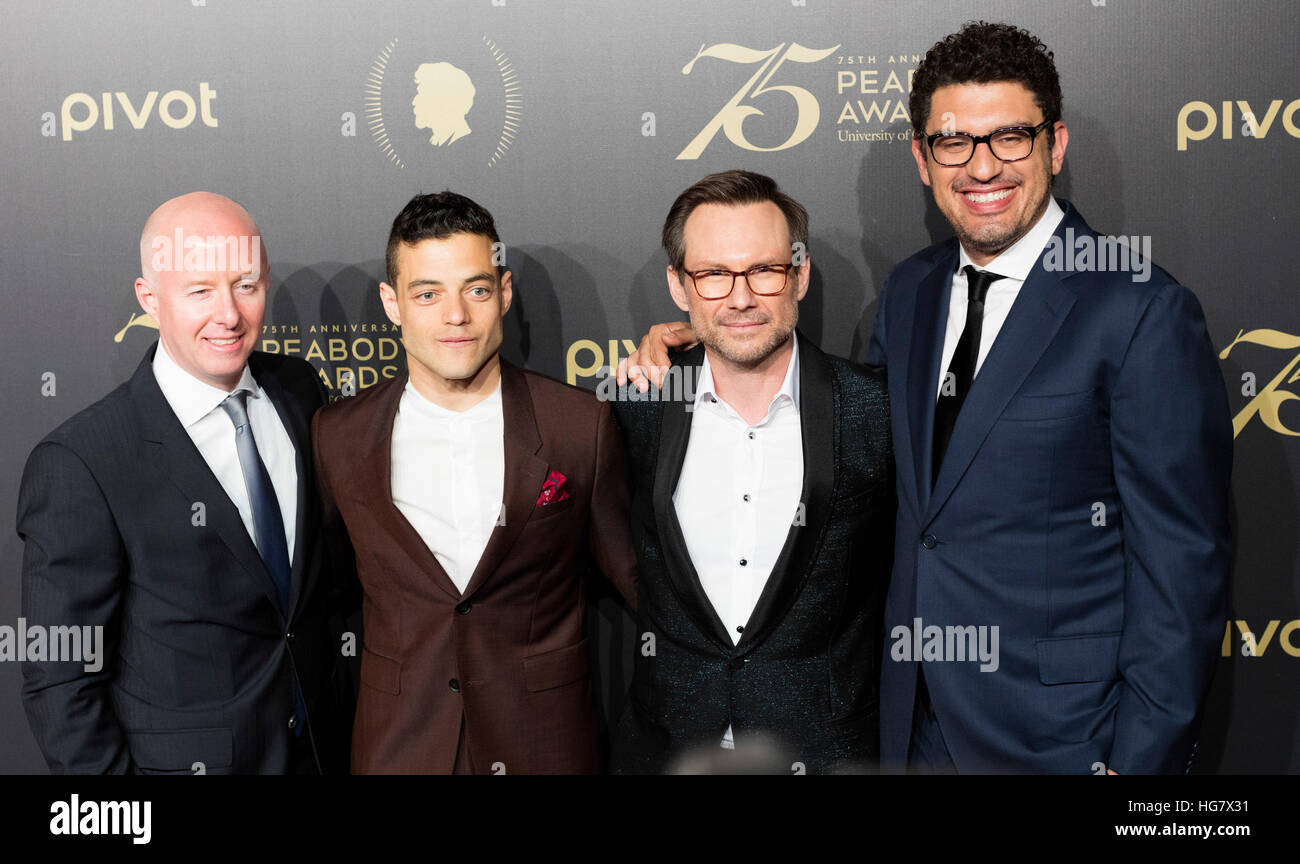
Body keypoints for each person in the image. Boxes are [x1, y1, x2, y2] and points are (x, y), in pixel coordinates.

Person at [620, 22, 1232, 774]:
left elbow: (1182, 567)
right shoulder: (911, 292)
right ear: (921, 156)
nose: (983, 166)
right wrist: (703, 335)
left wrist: (1141, 764)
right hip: (908, 730)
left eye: (1010, 136)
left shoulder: (1138, 309)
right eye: (953, 142)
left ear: (1056, 145)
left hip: (1067, 737)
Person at [17, 191, 351, 774]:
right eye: (199, 290)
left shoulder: (299, 390)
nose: (228, 315)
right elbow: (60, 677)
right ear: (150, 299)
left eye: (246, 285)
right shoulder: (84, 460)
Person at [312, 191, 636, 774]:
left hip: (546, 747)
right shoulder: (338, 436)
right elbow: (329, 590)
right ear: (392, 303)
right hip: (398, 749)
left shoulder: (578, 427)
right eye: (427, 294)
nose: (455, 316)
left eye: (477, 289)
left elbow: (638, 581)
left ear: (504, 293)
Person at [609, 170, 892, 774]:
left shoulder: (878, 409)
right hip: (667, 750)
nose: (740, 298)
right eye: (713, 274)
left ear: (801, 275)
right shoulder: (635, 405)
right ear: (680, 286)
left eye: (764, 271)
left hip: (827, 752)